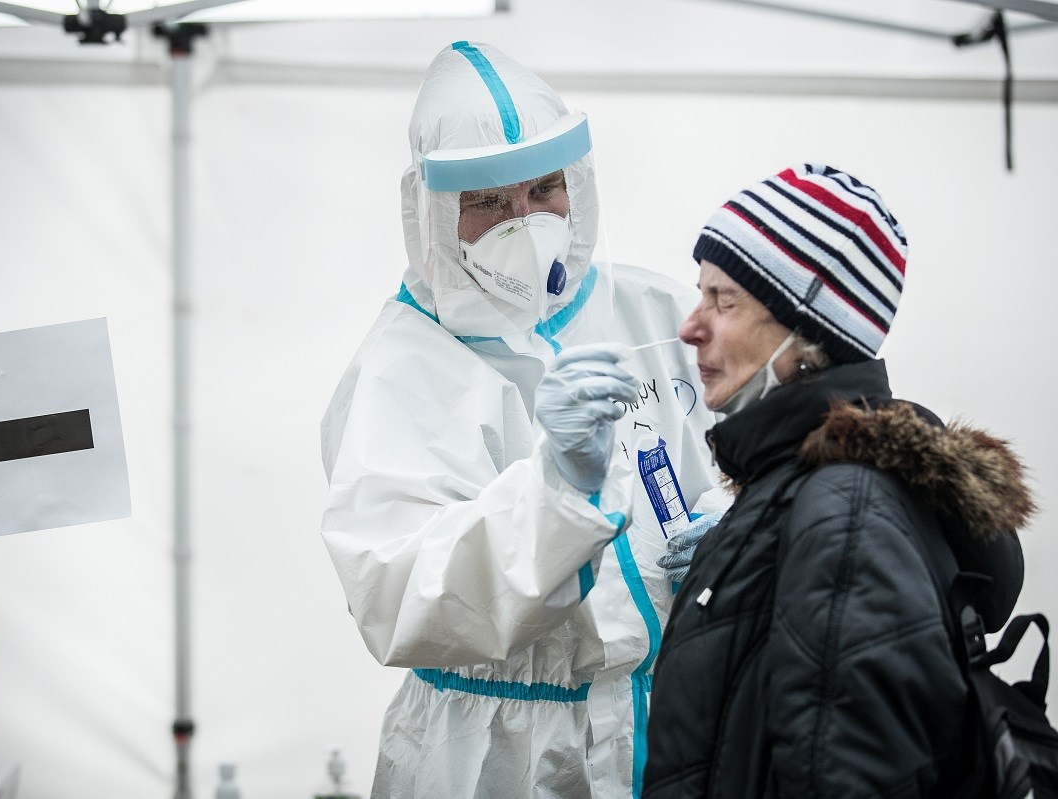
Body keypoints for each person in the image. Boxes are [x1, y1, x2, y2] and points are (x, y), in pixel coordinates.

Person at [319, 41, 726, 798]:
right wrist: (556, 499)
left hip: (672, 716)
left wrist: (730, 526)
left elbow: (747, 453)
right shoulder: (398, 368)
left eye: (545, 189)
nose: (527, 221)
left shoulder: (655, 309)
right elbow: (399, 597)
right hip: (494, 745)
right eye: (488, 203)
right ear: (436, 212)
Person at [641, 163, 1031, 798]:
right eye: (699, 293)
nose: (690, 326)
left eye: (725, 300)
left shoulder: (844, 513)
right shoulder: (800, 488)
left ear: (806, 336)